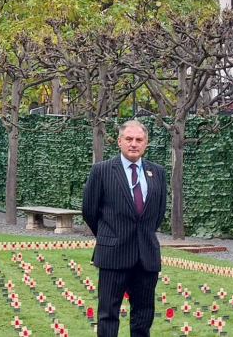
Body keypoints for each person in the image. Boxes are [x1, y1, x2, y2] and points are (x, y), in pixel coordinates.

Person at [82, 120, 166, 337]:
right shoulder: (101, 171)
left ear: (146, 143)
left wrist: (142, 236)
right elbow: (90, 211)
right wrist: (109, 236)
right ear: (119, 141)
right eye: (129, 139)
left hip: (146, 257)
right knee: (108, 315)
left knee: (143, 315)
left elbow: (158, 214)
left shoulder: (157, 173)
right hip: (113, 255)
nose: (134, 144)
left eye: (139, 140)